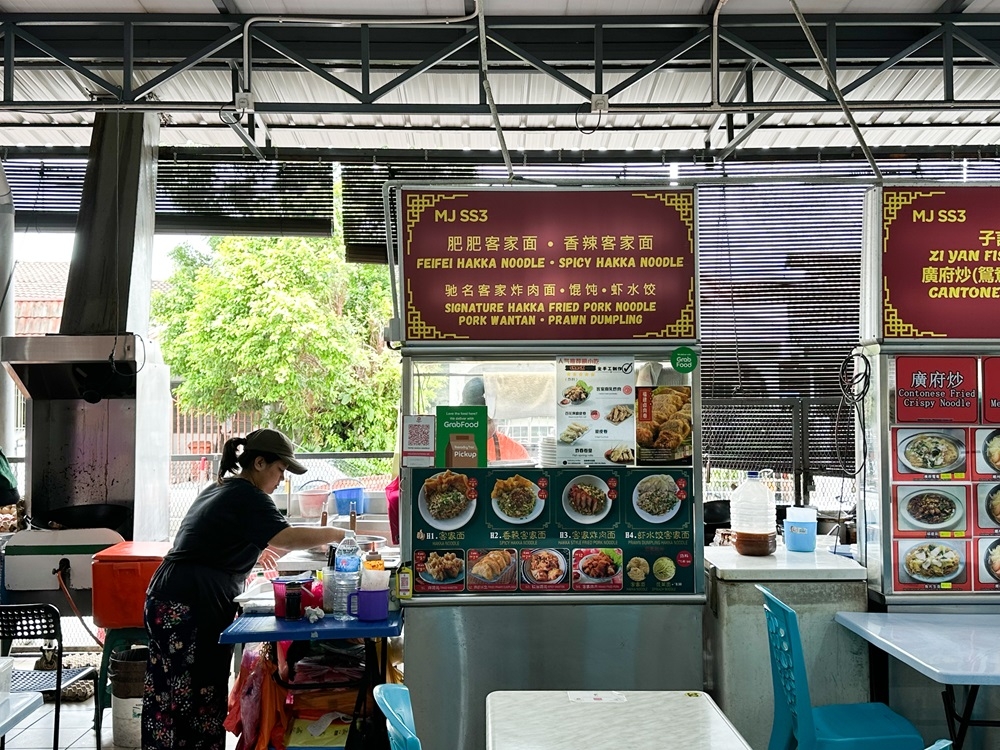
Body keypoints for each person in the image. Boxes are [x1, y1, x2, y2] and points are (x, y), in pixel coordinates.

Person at [142, 428, 347, 750]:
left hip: (173, 595)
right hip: (189, 601)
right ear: (260, 463)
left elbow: (213, 538)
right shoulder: (246, 495)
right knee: (190, 694)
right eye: (280, 470)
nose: (281, 480)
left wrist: (254, 551)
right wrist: (335, 534)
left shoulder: (223, 487)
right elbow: (286, 536)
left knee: (173, 691)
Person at [461, 376, 532, 463]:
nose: (481, 428)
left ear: (497, 417)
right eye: (474, 420)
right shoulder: (449, 444)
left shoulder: (516, 451)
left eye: (488, 421)